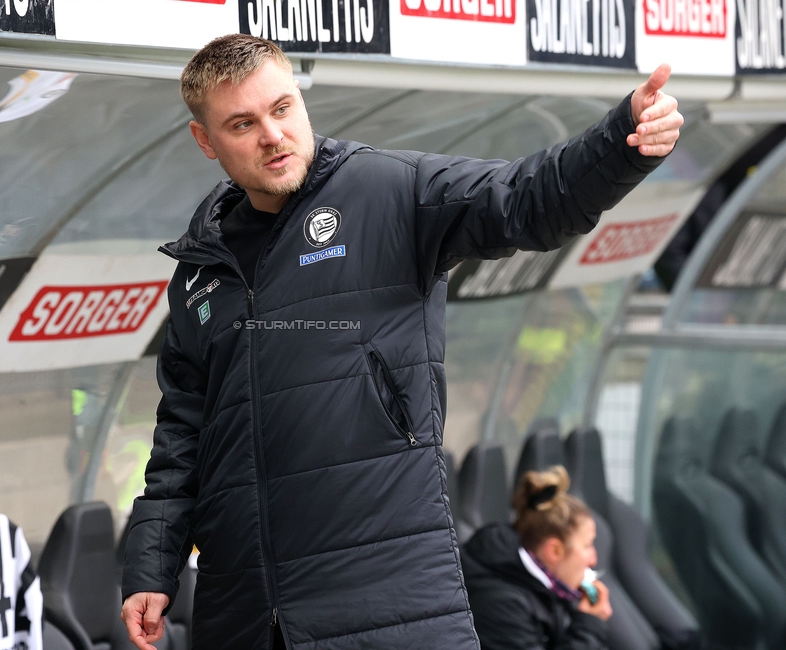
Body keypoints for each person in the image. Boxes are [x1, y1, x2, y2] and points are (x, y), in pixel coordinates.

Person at [119, 34, 682, 650]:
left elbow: (528, 198)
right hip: (245, 616)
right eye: (242, 123)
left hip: (388, 602)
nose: (272, 136)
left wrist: (622, 143)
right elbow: (182, 436)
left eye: (282, 109)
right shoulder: (201, 270)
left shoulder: (392, 190)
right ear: (207, 141)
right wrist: (152, 567)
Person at [460, 467, 612, 649]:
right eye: (587, 545)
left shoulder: (547, 585)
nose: (593, 560)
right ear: (554, 551)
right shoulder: (501, 604)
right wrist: (589, 627)